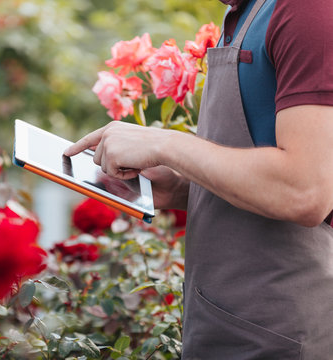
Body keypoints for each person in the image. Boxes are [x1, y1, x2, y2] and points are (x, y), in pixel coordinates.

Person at [64, 0, 333, 358]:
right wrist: (180, 183)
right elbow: (254, 164)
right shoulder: (243, 12)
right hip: (227, 324)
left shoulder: (307, 9)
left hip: (283, 331)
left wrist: (166, 143)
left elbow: (306, 190)